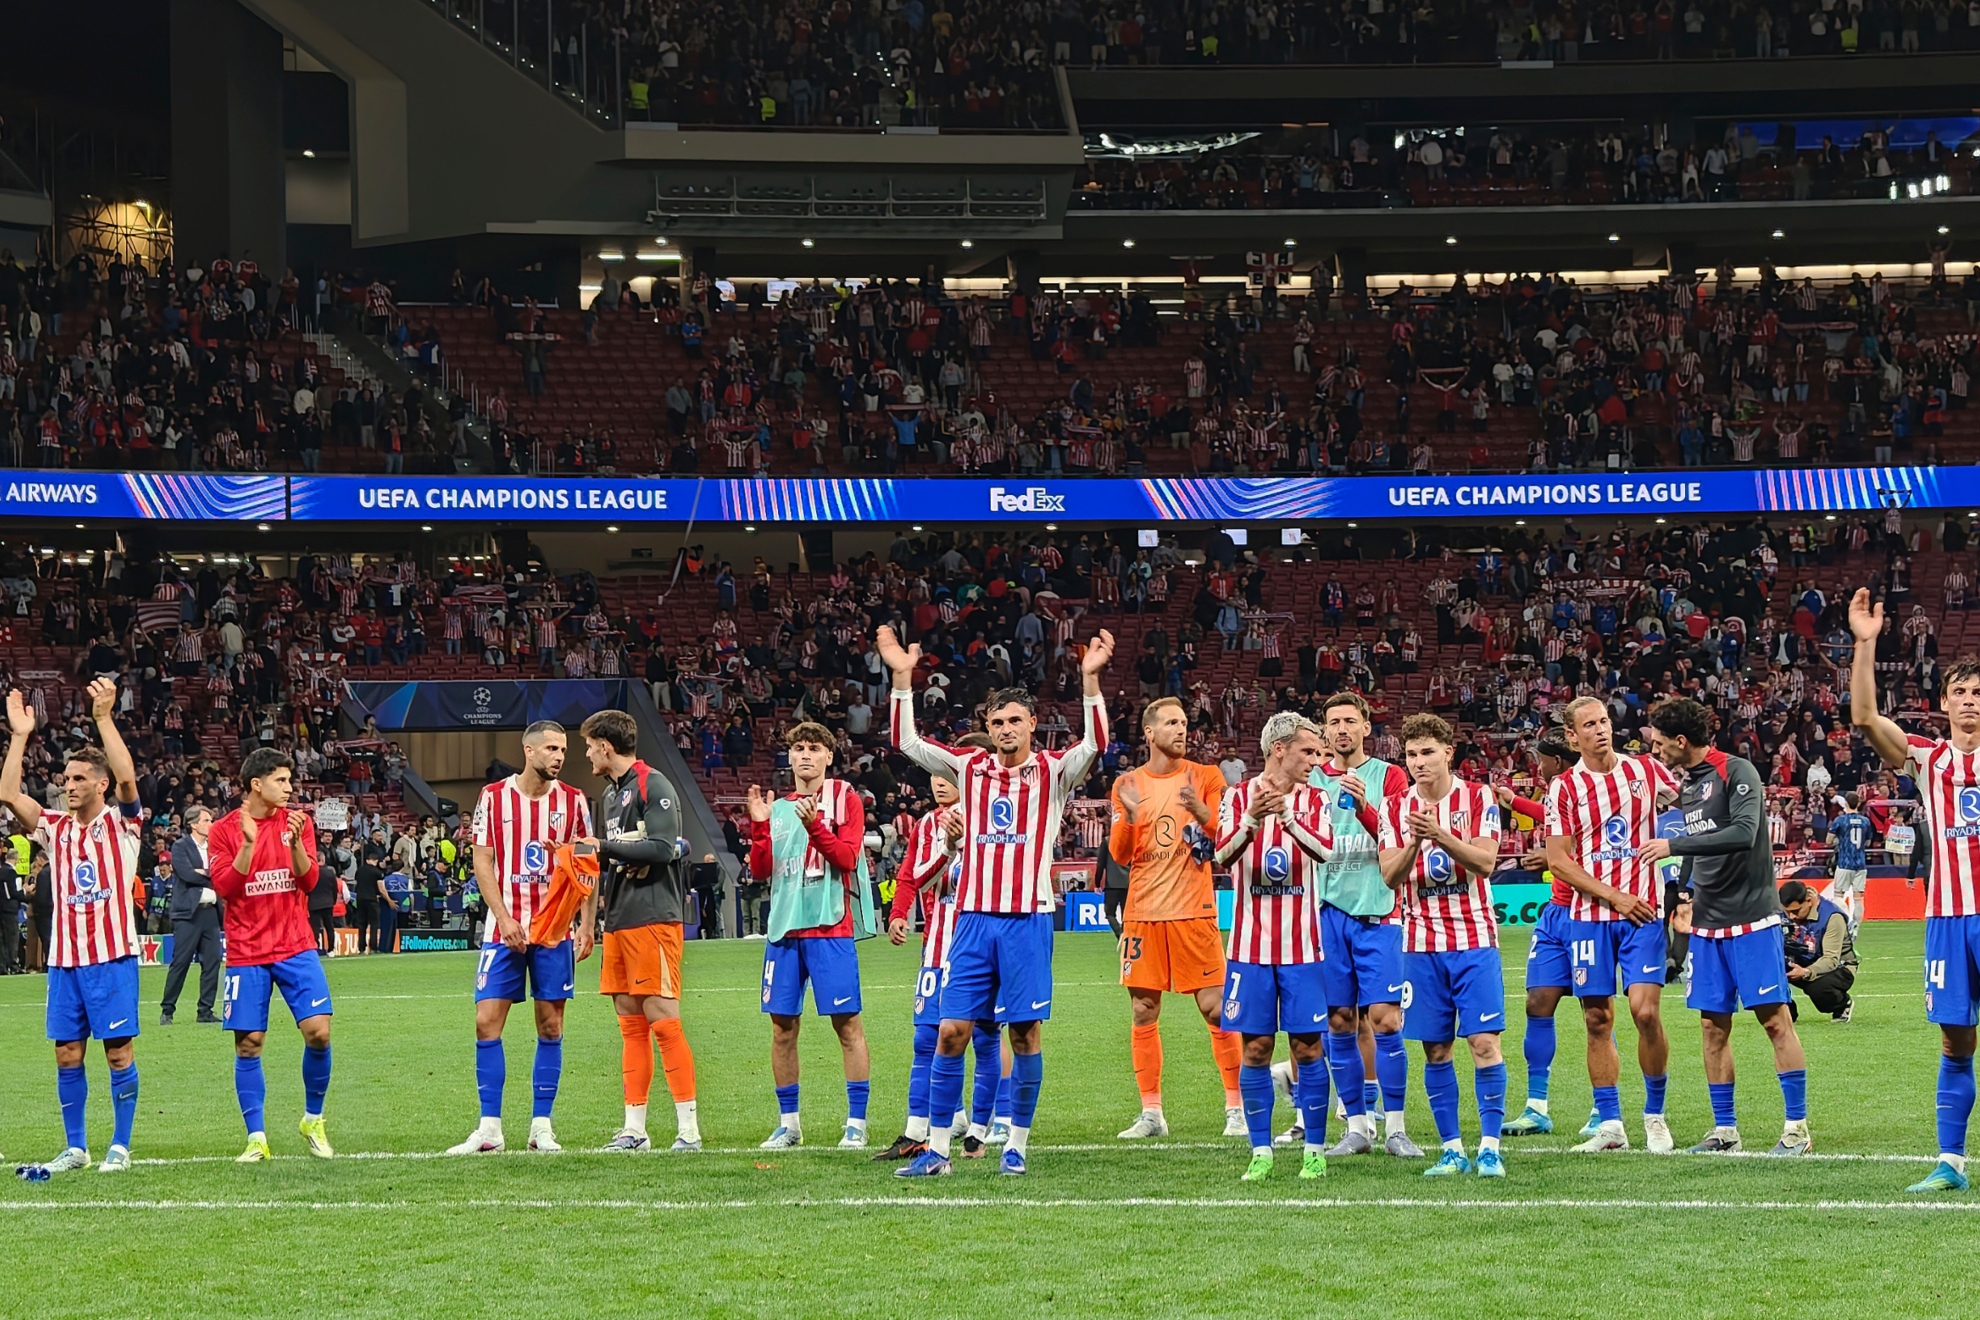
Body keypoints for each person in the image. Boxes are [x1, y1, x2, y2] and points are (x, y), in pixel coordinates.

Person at [879, 621, 1115, 1178]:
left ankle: (1017, 1145)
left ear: (1032, 724)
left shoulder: (1053, 772)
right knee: (951, 1030)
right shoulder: (969, 767)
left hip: (1028, 921)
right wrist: (901, 680)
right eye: (997, 722)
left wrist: (1089, 682)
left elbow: (1096, 744)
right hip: (973, 921)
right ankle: (936, 1152)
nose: (1006, 729)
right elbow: (906, 743)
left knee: (1024, 1032)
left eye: (1015, 720)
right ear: (986, 727)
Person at [1846, 588, 1977, 1192]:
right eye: (1960, 693)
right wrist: (1866, 645)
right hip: (1948, 917)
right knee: (1955, 1037)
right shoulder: (1929, 759)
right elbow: (1866, 718)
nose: (1970, 702)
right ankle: (1950, 1162)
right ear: (1944, 702)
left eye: (1978, 694)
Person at [1643, 697, 1811, 1157]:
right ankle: (1725, 1131)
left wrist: (1673, 844)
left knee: (1775, 1022)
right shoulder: (1692, 784)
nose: (1656, 752)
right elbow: (1702, 838)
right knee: (1712, 1027)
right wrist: (1681, 884)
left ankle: (1797, 1129)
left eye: (1659, 745)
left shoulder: (1736, 771)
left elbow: (1743, 833)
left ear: (1681, 741)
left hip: (1753, 917)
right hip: (1708, 923)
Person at [3, 680, 144, 1177]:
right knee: (66, 1052)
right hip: (65, 960)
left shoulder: (123, 825)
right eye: (67, 778)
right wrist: (20, 735)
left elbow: (128, 782)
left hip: (111, 957)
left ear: (99, 785)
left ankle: (120, 1146)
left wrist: (104, 719)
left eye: (79, 778)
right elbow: (7, 794)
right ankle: (76, 1147)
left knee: (117, 1051)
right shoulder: (54, 828)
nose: (69, 784)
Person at [446, 721, 593, 1156]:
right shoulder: (493, 797)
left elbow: (588, 863)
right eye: (550, 748)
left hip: (555, 931)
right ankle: (489, 1128)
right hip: (503, 930)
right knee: (486, 1020)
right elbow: (483, 860)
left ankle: (541, 1127)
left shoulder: (574, 801)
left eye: (563, 749)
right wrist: (503, 917)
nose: (559, 756)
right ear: (527, 751)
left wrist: (587, 923)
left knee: (551, 1024)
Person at [1543, 696, 1679, 1156]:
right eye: (1590, 724)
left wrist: (1677, 849)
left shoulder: (1646, 770)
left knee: (1645, 1011)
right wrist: (1612, 894)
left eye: (1604, 721)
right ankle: (1612, 1124)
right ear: (1572, 736)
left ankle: (1655, 1116)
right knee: (1597, 1018)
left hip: (1643, 913)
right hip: (1588, 918)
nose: (1601, 730)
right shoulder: (1563, 788)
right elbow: (1558, 859)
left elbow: (1691, 805)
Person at [1377, 712, 1509, 1178]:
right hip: (1419, 942)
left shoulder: (1478, 797)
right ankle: (1452, 1149)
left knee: (1483, 1043)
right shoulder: (1395, 808)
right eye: (1411, 755)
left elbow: (1486, 861)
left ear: (1448, 752)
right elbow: (1390, 876)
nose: (1419, 762)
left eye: (1428, 752)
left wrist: (1439, 835)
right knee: (1435, 1049)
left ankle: (1490, 1147)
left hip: (1474, 938)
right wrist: (1415, 842)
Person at [1110, 695, 1242, 1141]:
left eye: (1184, 722)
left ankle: (1237, 1108)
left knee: (1216, 1009)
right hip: (1143, 913)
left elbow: (1227, 836)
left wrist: (1203, 812)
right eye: (1171, 723)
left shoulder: (1206, 776)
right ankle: (1152, 1114)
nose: (1182, 730)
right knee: (1143, 1010)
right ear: (1150, 733)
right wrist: (1128, 817)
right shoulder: (1127, 782)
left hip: (1194, 910)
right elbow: (1120, 855)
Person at [1216, 712, 1337, 1182]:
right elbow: (1222, 857)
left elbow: (1325, 852)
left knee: (1308, 1048)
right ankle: (1261, 1150)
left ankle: (1314, 1149)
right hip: (1250, 949)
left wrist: (1286, 817)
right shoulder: (1237, 797)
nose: (1316, 760)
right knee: (1256, 1049)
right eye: (1308, 751)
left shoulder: (1316, 799)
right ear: (1279, 749)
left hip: (1303, 948)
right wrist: (1251, 820)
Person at [747, 721, 876, 1150]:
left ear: (828, 757)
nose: (805, 755)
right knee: (782, 1028)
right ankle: (789, 1125)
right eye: (798, 748)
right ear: (790, 757)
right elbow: (762, 871)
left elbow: (847, 857)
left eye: (814, 748)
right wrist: (760, 827)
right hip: (784, 929)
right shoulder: (779, 807)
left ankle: (856, 1123)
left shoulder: (846, 799)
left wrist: (816, 825)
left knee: (847, 1024)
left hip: (829, 926)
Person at [876, 742, 1005, 1162]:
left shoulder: (996, 816)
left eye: (947, 773)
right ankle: (919, 1130)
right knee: (927, 1037)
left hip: (983, 941)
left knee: (985, 1037)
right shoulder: (927, 824)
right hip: (937, 943)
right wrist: (898, 912)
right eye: (934, 774)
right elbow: (913, 875)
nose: (938, 781)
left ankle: (982, 1131)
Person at [1302, 691, 1418, 1158]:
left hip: (1378, 911)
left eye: (1351, 720)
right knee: (1339, 1020)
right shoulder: (1310, 780)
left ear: (1367, 727)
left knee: (1386, 1020)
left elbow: (1398, 838)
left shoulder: (1388, 776)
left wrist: (1365, 807)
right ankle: (1356, 1126)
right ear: (1325, 731)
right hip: (1327, 913)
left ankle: (1396, 1127)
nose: (1342, 729)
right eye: (1334, 722)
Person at [581, 708, 700, 1154]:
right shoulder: (613, 796)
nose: (588, 753)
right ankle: (635, 1129)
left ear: (606, 747)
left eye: (591, 746)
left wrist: (605, 846)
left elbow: (664, 848)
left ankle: (688, 1130)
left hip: (654, 917)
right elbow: (613, 856)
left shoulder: (655, 785)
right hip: (621, 921)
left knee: (664, 1022)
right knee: (631, 1026)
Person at [208, 747, 335, 1162]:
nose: (289, 787)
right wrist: (248, 844)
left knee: (319, 1031)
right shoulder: (224, 830)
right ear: (256, 784)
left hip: (295, 944)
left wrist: (297, 842)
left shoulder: (298, 822)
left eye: (289, 780)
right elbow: (226, 887)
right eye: (281, 780)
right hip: (247, 950)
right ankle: (256, 1137)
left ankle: (312, 1119)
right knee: (249, 1044)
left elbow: (311, 879)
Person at [1496, 735, 1598, 1139]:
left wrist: (1553, 859)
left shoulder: (1589, 789)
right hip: (1555, 912)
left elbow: (1597, 844)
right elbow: (1550, 818)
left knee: (1597, 1011)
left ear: (1558, 761)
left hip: (1588, 911)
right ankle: (1537, 1107)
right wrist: (1514, 802)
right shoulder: (1559, 792)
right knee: (1538, 1002)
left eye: (1541, 762)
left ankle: (1601, 1107)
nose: (1537, 769)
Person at [160, 805, 223, 1025]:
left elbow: (224, 871)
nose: (211, 824)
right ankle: (167, 1010)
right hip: (188, 913)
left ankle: (205, 1010)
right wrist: (211, 875)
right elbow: (186, 874)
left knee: (213, 961)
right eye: (206, 820)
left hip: (211, 913)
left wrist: (204, 873)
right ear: (194, 824)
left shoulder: (215, 846)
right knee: (181, 961)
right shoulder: (180, 846)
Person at [1779, 881, 1857, 1021]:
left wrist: (1805, 972)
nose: (1791, 916)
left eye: (1796, 911)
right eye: (1787, 912)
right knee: (1762, 971)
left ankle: (1842, 1004)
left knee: (1818, 988)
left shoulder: (1832, 917)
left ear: (1809, 901)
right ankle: (1785, 1013)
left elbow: (1831, 959)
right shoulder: (1780, 912)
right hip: (1799, 961)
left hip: (1838, 967)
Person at [1828, 791, 1873, 929]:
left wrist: (1841, 840)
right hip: (1860, 864)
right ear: (1858, 803)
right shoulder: (1865, 821)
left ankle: (1841, 924)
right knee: (1858, 897)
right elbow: (1868, 842)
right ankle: (1856, 927)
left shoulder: (1840, 820)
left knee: (1838, 895)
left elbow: (1828, 840)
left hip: (1844, 863)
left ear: (1845, 803)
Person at [690, 853, 724, 938]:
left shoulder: (719, 870)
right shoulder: (703, 871)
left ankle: (716, 933)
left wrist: (711, 890)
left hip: (715, 895)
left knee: (715, 914)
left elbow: (719, 883)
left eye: (707, 861)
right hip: (705, 894)